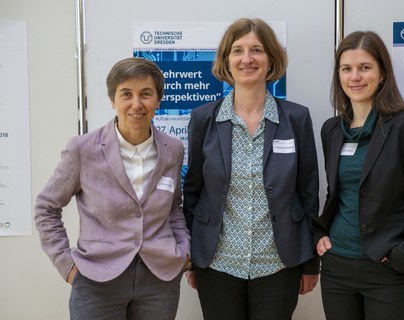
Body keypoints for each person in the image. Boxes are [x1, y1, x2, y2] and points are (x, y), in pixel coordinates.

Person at [183, 18, 320, 320]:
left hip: (278, 264)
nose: (247, 59)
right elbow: (192, 192)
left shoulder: (296, 119)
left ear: (270, 59)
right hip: (217, 263)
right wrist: (192, 258)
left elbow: (308, 193)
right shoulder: (204, 119)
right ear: (226, 61)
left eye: (256, 49)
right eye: (238, 50)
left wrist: (311, 263)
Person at [35, 57, 190, 320]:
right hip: (97, 279)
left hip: (159, 280)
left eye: (146, 94)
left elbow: (173, 207)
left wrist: (183, 248)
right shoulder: (83, 149)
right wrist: (68, 266)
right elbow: (46, 208)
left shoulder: (173, 149)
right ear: (112, 100)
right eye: (126, 94)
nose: (136, 104)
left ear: (158, 100)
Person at [313, 31, 404, 320]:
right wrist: (319, 233)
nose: (355, 76)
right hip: (338, 270)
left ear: (382, 74)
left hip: (388, 271)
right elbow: (337, 194)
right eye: (347, 69)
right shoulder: (332, 130)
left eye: (365, 67)